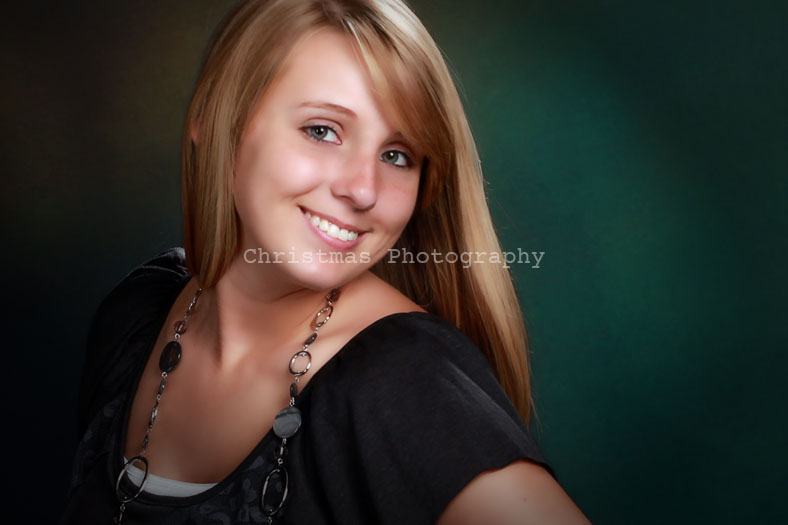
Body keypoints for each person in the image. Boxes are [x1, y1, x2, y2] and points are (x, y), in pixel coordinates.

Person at [61, 0, 590, 523]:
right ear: (212, 117)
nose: (363, 190)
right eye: (322, 130)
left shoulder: (406, 379)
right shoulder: (138, 315)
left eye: (397, 155)